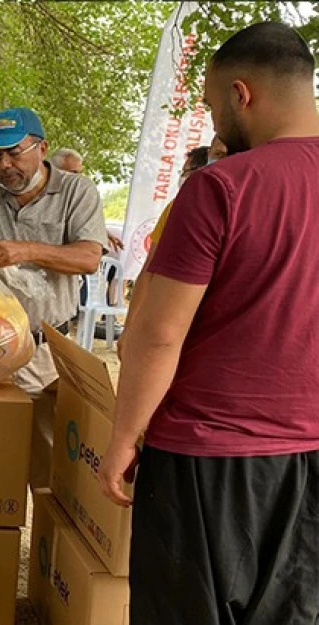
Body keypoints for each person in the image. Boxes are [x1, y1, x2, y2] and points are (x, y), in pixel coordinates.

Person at [98, 22, 319, 624]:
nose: (216, 124)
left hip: (207, 460)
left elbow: (159, 332)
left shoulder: (222, 187)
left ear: (241, 95)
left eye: (215, 106)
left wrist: (123, 438)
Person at [0, 107, 108, 394]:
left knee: (37, 432)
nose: (4, 164)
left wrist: (28, 251)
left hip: (43, 350)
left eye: (14, 152)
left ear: (42, 148)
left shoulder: (78, 191)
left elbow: (89, 258)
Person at [117, 141, 224, 361]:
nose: (182, 178)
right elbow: (148, 271)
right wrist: (129, 329)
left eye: (186, 171)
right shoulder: (175, 208)